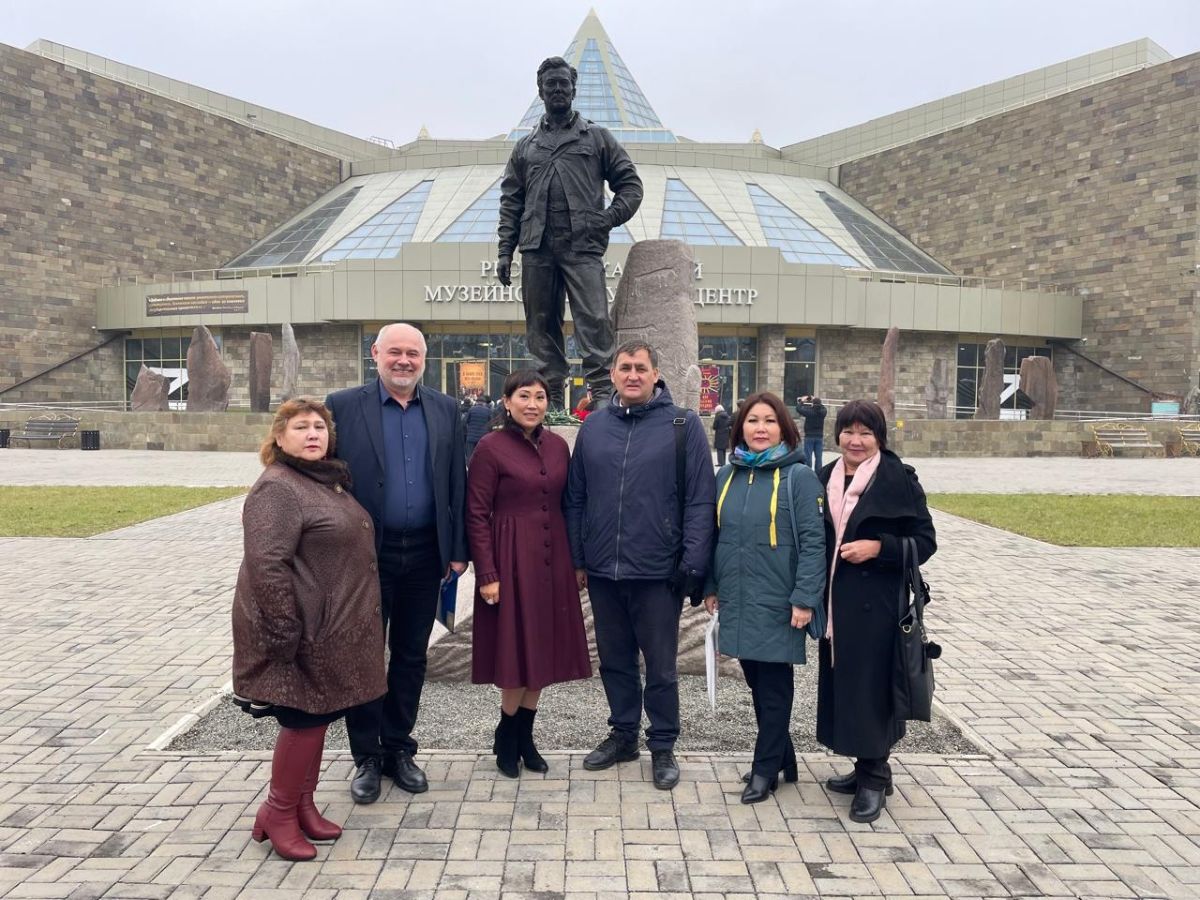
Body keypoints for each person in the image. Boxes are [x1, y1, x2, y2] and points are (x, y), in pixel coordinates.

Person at [232, 399, 386, 861]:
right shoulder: (278, 487)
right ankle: (277, 812)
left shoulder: (322, 480)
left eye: (320, 426)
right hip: (298, 631)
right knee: (302, 721)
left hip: (326, 629)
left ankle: (302, 804)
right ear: (279, 438)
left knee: (317, 717)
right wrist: (285, 632)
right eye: (301, 427)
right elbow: (266, 565)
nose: (313, 434)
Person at [325, 323, 469, 804]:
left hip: (427, 554)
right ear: (376, 354)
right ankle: (366, 756)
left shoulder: (446, 409)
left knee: (411, 656)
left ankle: (399, 748)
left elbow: (456, 482)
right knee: (364, 656)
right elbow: (324, 476)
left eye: (413, 353)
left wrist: (458, 549)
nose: (404, 361)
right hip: (365, 556)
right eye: (395, 352)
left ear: (424, 358)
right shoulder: (343, 406)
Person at [565, 339, 716, 790]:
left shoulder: (682, 424)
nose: (633, 375)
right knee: (614, 661)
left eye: (641, 368)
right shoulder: (594, 427)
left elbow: (700, 499)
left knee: (661, 666)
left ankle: (663, 743)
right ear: (612, 374)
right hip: (604, 571)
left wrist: (692, 563)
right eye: (625, 367)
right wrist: (578, 558)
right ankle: (624, 735)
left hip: (658, 572)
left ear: (656, 375)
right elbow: (576, 497)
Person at [497, 55, 643, 409]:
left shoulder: (596, 138)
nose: (558, 89)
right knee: (540, 325)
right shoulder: (526, 146)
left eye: (564, 83)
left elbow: (631, 186)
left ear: (574, 89)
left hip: (582, 246)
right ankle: (550, 400)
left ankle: (604, 395)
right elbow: (511, 201)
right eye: (551, 84)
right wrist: (504, 250)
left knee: (593, 320)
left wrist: (607, 219)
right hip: (537, 247)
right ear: (540, 91)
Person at [466, 370, 592, 778]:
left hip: (553, 559)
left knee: (543, 649)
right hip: (510, 558)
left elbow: (570, 504)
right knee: (516, 650)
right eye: (524, 396)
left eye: (540, 396)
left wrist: (577, 563)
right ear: (507, 401)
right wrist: (487, 572)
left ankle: (525, 735)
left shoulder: (558, 446)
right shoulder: (489, 447)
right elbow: (476, 514)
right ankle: (507, 733)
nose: (533, 404)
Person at [702, 392, 826, 804]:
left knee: (773, 688)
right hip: (738, 597)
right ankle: (784, 760)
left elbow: (814, 543)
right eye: (753, 420)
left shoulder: (799, 478)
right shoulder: (727, 475)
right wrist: (711, 586)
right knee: (756, 682)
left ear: (783, 428)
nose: (760, 428)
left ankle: (764, 769)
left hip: (780, 602)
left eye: (769, 421)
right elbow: (713, 537)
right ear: (740, 428)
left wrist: (805, 598)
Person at [816, 399, 936, 823]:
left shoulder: (897, 478)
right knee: (846, 687)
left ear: (879, 437)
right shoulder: (825, 476)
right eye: (849, 431)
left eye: (865, 433)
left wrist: (878, 548)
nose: (856, 440)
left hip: (877, 607)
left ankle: (875, 776)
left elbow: (926, 541)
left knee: (872, 690)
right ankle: (863, 765)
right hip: (835, 605)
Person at [795, 395, 827, 471]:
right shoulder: (823, 412)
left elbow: (798, 408)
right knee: (818, 457)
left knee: (808, 456)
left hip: (809, 436)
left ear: (812, 404)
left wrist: (802, 401)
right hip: (819, 437)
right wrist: (816, 400)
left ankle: (808, 472)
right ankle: (819, 473)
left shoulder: (809, 412)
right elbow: (823, 407)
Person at [464, 394, 492, 460]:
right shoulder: (488, 411)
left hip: (471, 437)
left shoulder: (471, 409)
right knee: (481, 456)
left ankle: (470, 466)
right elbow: (491, 423)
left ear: (476, 402)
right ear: (484, 403)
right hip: (483, 437)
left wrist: (468, 431)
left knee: (470, 456)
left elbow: (465, 421)